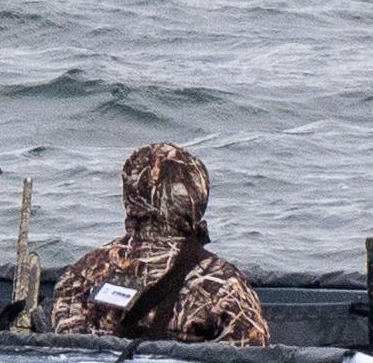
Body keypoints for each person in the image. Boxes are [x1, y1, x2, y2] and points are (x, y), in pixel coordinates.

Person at [39, 142, 272, 344]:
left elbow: (69, 350)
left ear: (129, 193)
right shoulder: (222, 284)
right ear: (198, 196)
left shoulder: (82, 273)